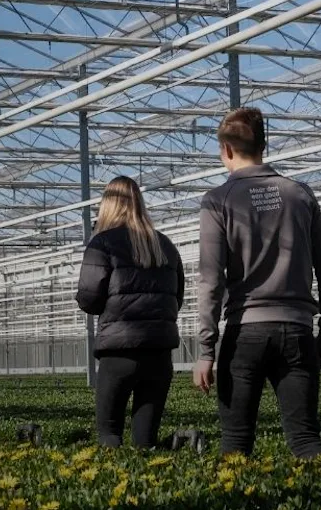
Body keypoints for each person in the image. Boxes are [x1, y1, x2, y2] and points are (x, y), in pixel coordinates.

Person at [194, 107, 321, 458]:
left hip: (245, 334)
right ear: (264, 145)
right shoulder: (300, 194)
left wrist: (205, 351)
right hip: (297, 330)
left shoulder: (218, 200)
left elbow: (211, 280)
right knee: (305, 439)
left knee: (236, 444)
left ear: (226, 150)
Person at [76, 176, 185, 448]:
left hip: (118, 355)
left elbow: (89, 299)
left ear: (107, 206)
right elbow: (176, 299)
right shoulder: (166, 246)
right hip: (159, 355)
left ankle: (114, 488)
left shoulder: (102, 244)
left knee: (109, 433)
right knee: (145, 440)